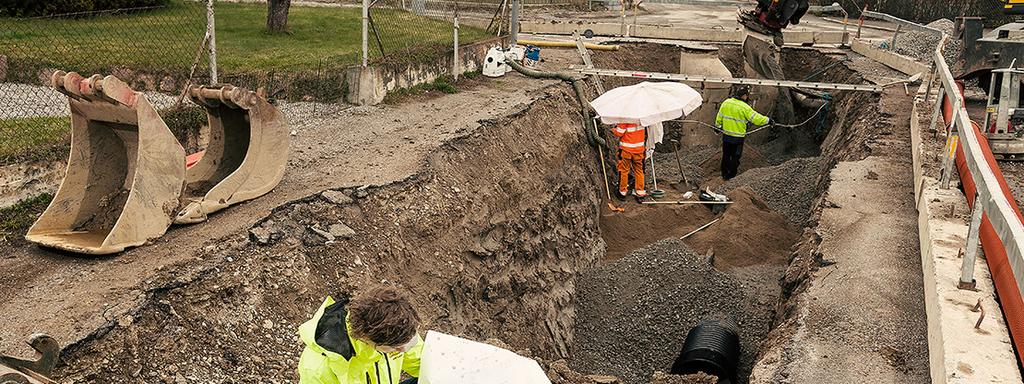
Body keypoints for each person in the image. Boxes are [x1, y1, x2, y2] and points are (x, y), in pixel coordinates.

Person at [298, 286, 423, 384]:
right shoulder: (317, 369)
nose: (404, 349)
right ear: (366, 338)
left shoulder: (401, 332)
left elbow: (422, 364)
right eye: (395, 347)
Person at [716, 86, 772, 180]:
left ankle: (724, 175)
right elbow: (756, 118)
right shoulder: (744, 107)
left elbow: (719, 116)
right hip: (738, 138)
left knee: (726, 155)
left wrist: (717, 127)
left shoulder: (726, 102)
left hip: (726, 136)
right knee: (735, 157)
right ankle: (731, 176)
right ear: (744, 96)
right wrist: (768, 120)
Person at [612, 123, 647, 199]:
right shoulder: (641, 118)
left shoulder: (625, 119)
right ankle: (640, 192)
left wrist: (613, 129)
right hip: (639, 150)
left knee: (624, 170)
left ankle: (622, 192)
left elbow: (619, 133)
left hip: (626, 151)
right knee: (639, 170)